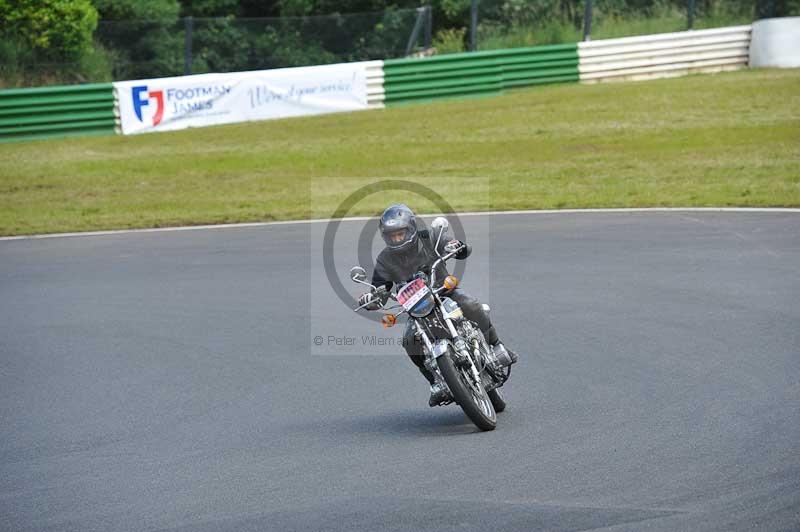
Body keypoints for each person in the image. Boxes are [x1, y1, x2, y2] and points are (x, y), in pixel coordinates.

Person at [358, 204, 517, 406]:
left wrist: (456, 246)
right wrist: (370, 299)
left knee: (471, 304)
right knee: (409, 341)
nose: (397, 239)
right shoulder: (384, 259)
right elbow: (380, 289)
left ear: (412, 229)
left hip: (444, 293)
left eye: (400, 233)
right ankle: (436, 384)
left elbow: (456, 246)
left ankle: (497, 346)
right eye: (392, 236)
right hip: (417, 310)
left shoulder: (429, 238)